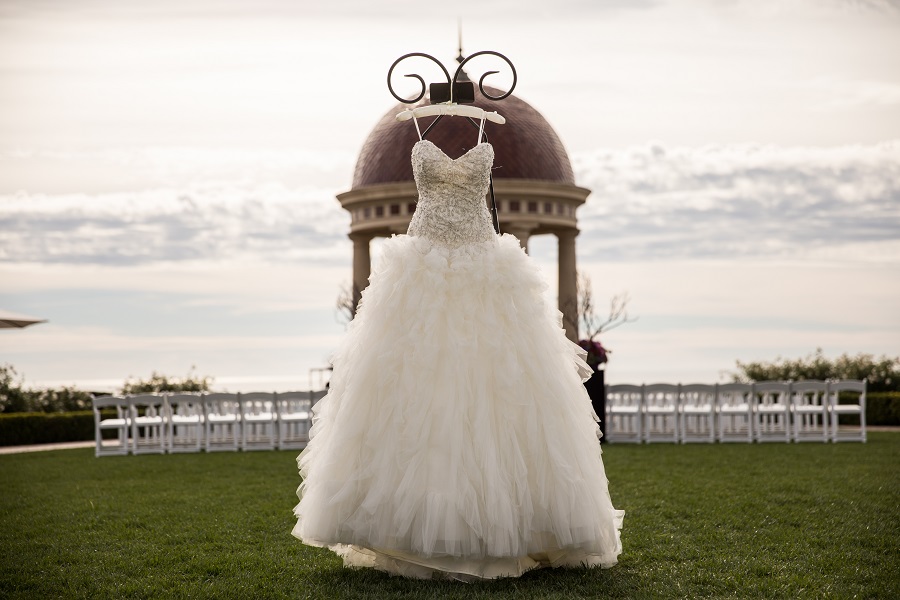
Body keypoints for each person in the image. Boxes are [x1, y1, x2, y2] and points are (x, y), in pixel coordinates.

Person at [291, 112, 623, 581]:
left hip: (483, 260)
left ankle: (510, 527)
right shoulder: (416, 128)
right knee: (418, 387)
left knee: (496, 383)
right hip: (422, 263)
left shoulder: (489, 129)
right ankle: (413, 531)